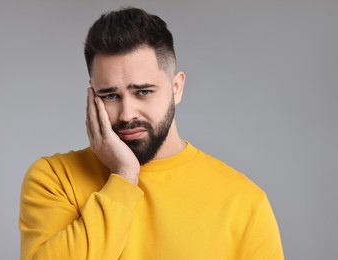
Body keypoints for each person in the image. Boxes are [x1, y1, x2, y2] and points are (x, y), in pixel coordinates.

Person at [19, 7, 284, 259]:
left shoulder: (245, 202)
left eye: (143, 92)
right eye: (110, 95)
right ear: (92, 96)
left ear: (177, 88)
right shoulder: (54, 179)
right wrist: (124, 175)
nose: (126, 114)